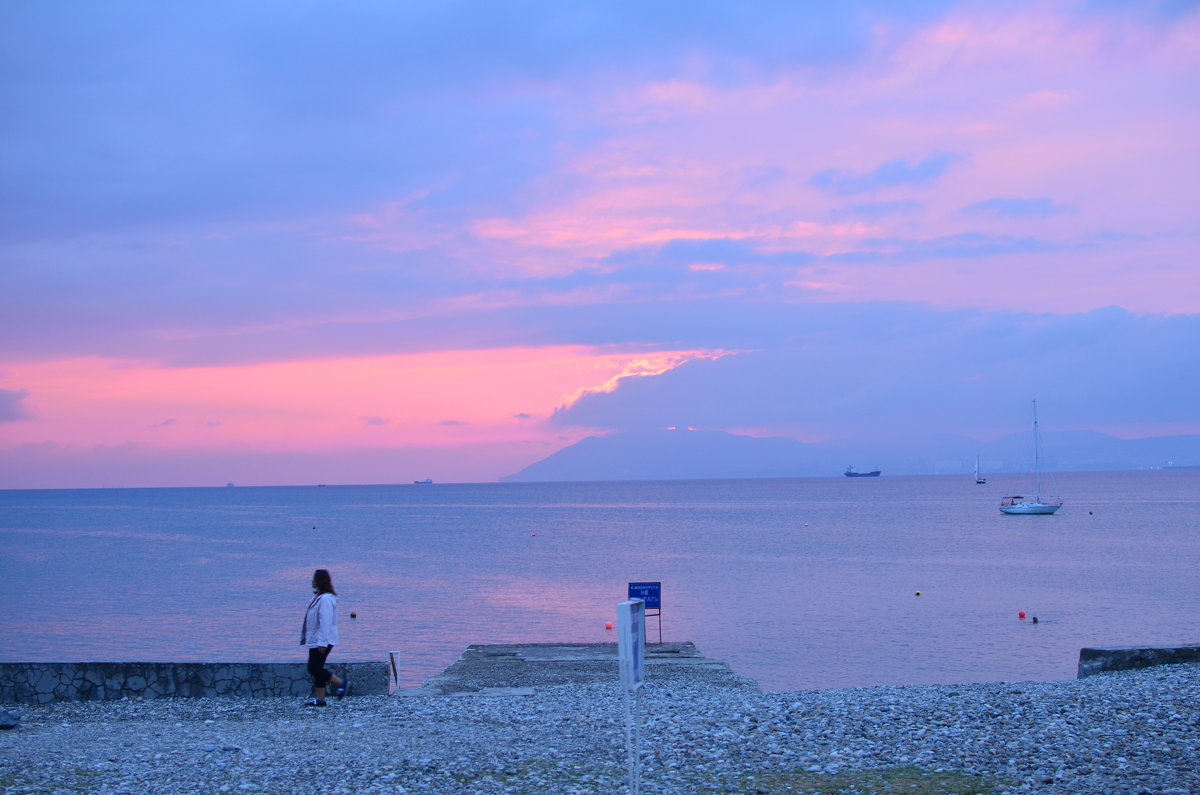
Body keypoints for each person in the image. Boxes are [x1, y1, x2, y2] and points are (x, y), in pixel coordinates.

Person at [300, 568, 352, 706]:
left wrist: (322, 642)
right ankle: (321, 699)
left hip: (322, 640)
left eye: (314, 578)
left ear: (319, 581)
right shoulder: (318, 598)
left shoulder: (326, 599)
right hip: (316, 639)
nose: (312, 581)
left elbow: (325, 621)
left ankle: (342, 683)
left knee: (313, 668)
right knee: (318, 668)